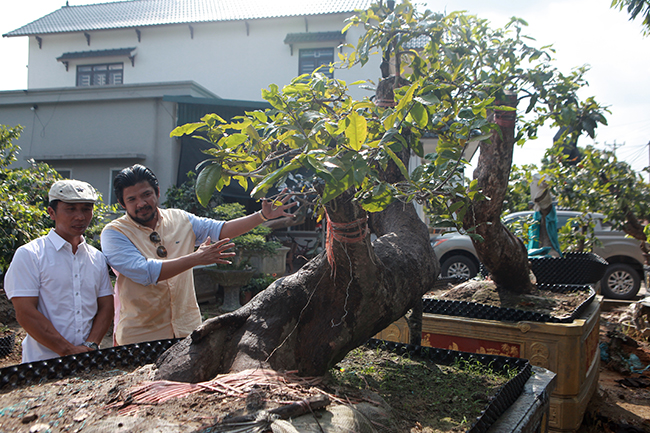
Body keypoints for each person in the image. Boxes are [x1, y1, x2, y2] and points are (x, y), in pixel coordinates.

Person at [101, 164, 295, 345]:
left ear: (157, 192)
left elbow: (220, 229)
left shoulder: (180, 219)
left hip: (187, 329)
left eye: (146, 195)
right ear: (121, 203)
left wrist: (262, 216)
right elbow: (144, 272)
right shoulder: (114, 233)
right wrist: (196, 258)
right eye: (132, 199)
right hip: (141, 335)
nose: (141, 203)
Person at [4, 180, 114, 363]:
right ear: (51, 212)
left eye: (86, 209)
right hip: (42, 365)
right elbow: (25, 313)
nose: (80, 216)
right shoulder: (30, 255)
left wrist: (91, 345)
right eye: (70, 209)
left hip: (87, 362)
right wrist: (68, 351)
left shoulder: (97, 258)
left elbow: (106, 307)